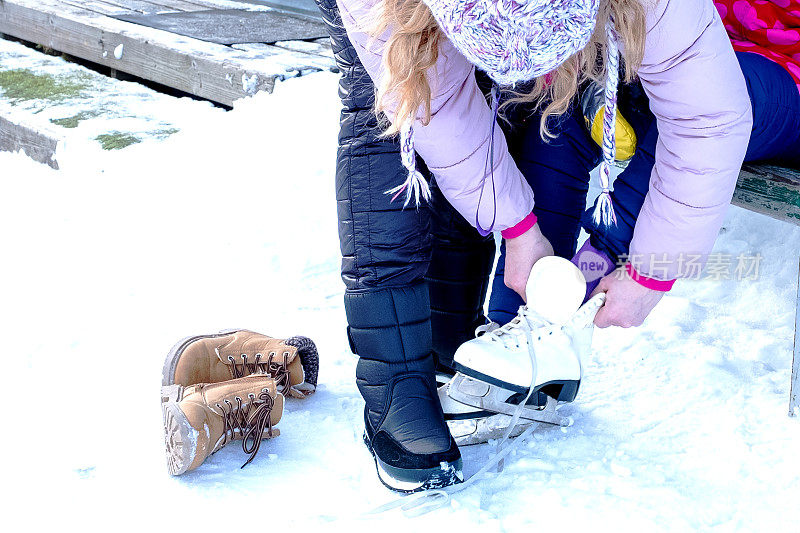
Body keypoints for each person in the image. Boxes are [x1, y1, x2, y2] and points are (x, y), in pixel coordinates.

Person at [316, 0, 800, 492]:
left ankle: (584, 281)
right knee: (556, 122)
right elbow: (435, 105)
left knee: (677, 111)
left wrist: (650, 271)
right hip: (656, 51)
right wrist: (518, 227)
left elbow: (709, 117)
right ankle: (522, 324)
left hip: (776, 68)